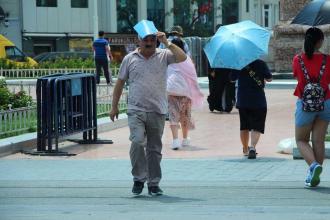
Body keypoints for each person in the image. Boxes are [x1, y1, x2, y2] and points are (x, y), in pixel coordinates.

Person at [109, 30, 187, 196]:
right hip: (136, 109)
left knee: (154, 149)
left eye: (152, 39)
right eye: (146, 39)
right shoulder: (129, 58)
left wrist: (167, 42)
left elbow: (183, 58)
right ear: (139, 40)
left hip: (157, 109)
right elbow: (120, 83)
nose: (149, 42)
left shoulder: (164, 55)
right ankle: (138, 178)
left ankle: (153, 183)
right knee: (137, 141)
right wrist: (114, 106)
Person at [292, 27, 330, 187]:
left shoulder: (298, 60)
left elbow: (296, 76)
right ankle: (314, 174)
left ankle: (314, 166)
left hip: (305, 104)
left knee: (301, 139)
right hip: (325, 102)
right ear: (320, 42)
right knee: (319, 141)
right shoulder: (328, 60)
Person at [166, 38, 204, 150]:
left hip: (172, 90)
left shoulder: (168, 58)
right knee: (185, 116)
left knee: (173, 115)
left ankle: (175, 141)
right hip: (185, 92)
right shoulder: (187, 59)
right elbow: (192, 75)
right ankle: (185, 139)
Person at [230, 59, 272, 159]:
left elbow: (232, 79)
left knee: (244, 125)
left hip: (243, 99)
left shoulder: (238, 63)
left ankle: (245, 149)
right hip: (258, 99)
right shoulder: (261, 63)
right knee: (257, 125)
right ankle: (252, 147)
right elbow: (269, 78)